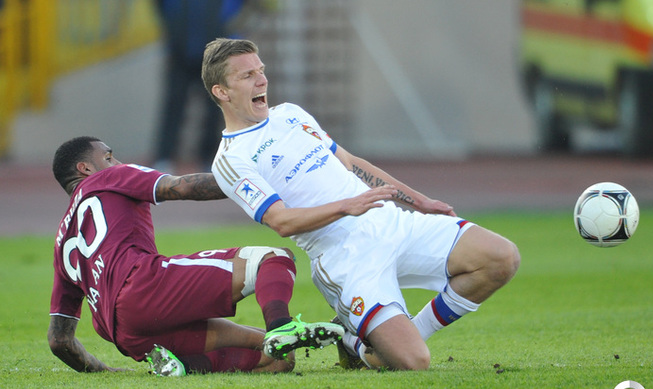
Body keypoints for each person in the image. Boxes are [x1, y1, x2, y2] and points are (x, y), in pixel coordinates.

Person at [201, 38, 521, 371]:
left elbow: (351, 163)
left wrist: (419, 201)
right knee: (414, 362)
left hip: (391, 222)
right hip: (345, 257)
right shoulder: (230, 160)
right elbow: (281, 221)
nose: (262, 80)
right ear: (222, 92)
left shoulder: (291, 114)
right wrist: (345, 207)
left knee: (501, 258)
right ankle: (351, 340)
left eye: (261, 70)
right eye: (248, 75)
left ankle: (400, 334)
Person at [48, 136, 343, 376]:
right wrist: (259, 180)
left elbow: (59, 340)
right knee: (274, 258)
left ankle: (184, 367)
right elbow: (182, 187)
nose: (117, 163)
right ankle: (282, 327)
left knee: (279, 359)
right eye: (109, 157)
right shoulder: (109, 177)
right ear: (85, 168)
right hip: (143, 287)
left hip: (124, 334)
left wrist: (107, 372)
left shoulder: (61, 242)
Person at [152, 0, 249, 172]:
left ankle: (208, 158)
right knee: (174, 105)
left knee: (215, 107)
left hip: (217, 54)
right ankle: (164, 157)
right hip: (180, 51)